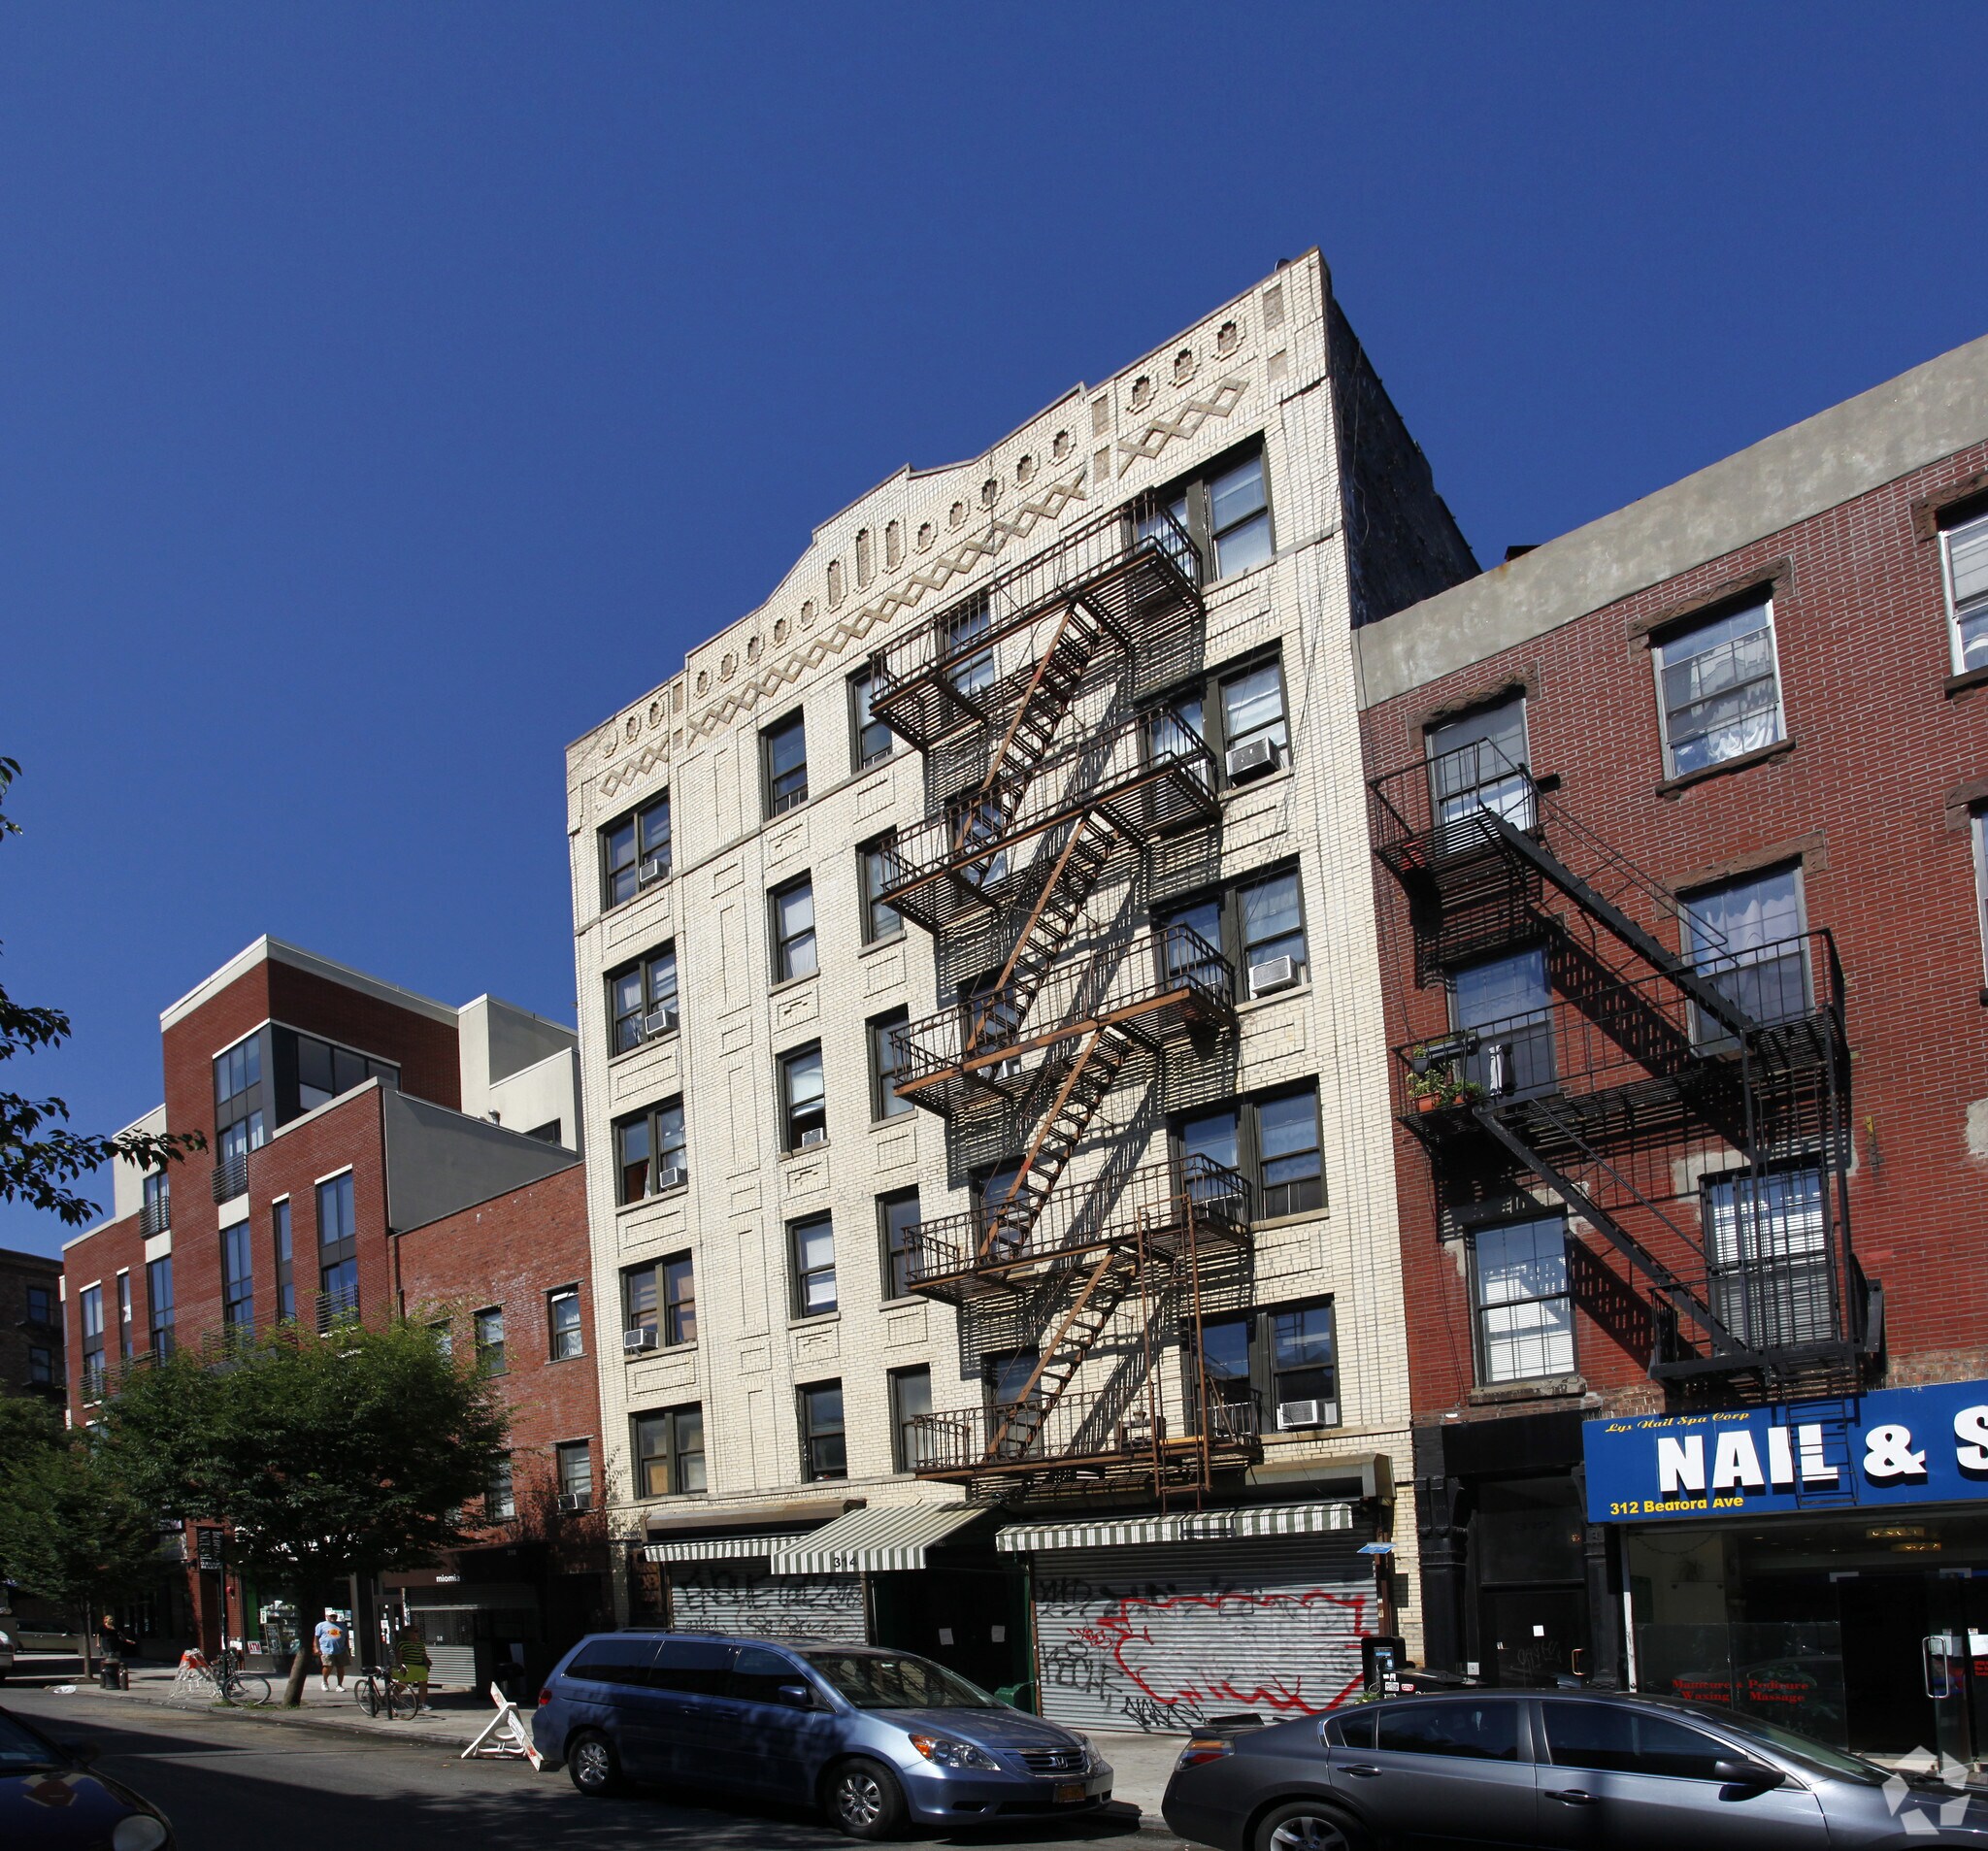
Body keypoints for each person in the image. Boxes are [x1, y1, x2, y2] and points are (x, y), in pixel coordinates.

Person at [393, 1622, 432, 1715]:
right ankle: (392, 1697)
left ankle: (423, 1703)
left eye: (417, 1631)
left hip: (420, 1666)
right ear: (407, 1633)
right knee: (403, 1684)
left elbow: (423, 1655)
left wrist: (427, 1664)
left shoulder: (420, 1644)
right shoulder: (402, 1644)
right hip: (408, 1666)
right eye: (415, 1631)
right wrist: (401, 1665)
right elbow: (399, 1657)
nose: (417, 1633)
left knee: (423, 1684)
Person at [313, 1610, 348, 1691]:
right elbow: (316, 1637)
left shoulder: (341, 1625)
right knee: (328, 1666)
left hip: (340, 1649)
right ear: (327, 1616)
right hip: (326, 1649)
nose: (333, 1618)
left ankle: (339, 1685)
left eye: (334, 1616)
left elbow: (346, 1637)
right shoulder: (321, 1625)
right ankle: (324, 1682)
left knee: (340, 1667)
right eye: (331, 1616)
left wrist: (348, 1649)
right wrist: (316, 1647)